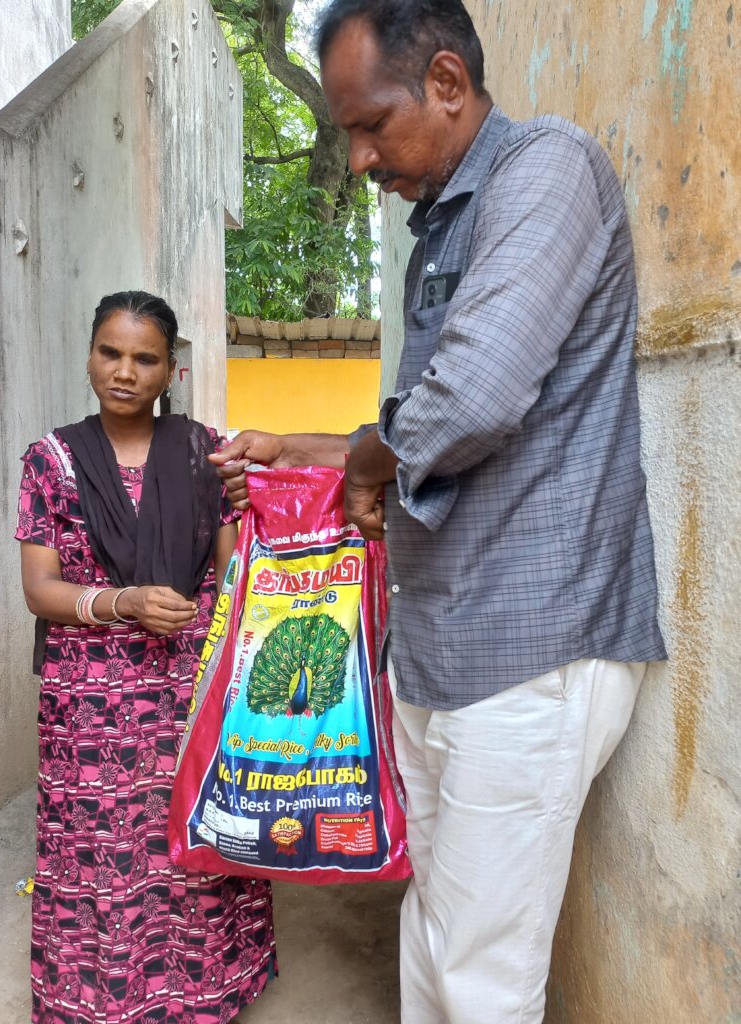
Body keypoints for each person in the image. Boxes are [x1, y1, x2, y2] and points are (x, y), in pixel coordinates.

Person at [212, 2, 667, 1023]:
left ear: (448, 83)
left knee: (480, 974)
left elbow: (471, 398)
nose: (361, 158)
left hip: (529, 645)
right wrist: (314, 452)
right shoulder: (445, 223)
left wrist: (364, 467)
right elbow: (417, 422)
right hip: (445, 641)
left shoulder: (547, 170)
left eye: (372, 124)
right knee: (436, 930)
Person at [16, 291, 275, 1024]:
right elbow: (40, 590)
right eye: (110, 352)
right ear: (90, 355)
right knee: (97, 848)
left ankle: (202, 995)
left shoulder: (204, 453)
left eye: (145, 358)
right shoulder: (51, 460)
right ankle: (96, 999)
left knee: (193, 838)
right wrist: (123, 602)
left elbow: (232, 575)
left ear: (169, 372)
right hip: (89, 700)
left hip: (188, 684)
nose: (124, 372)